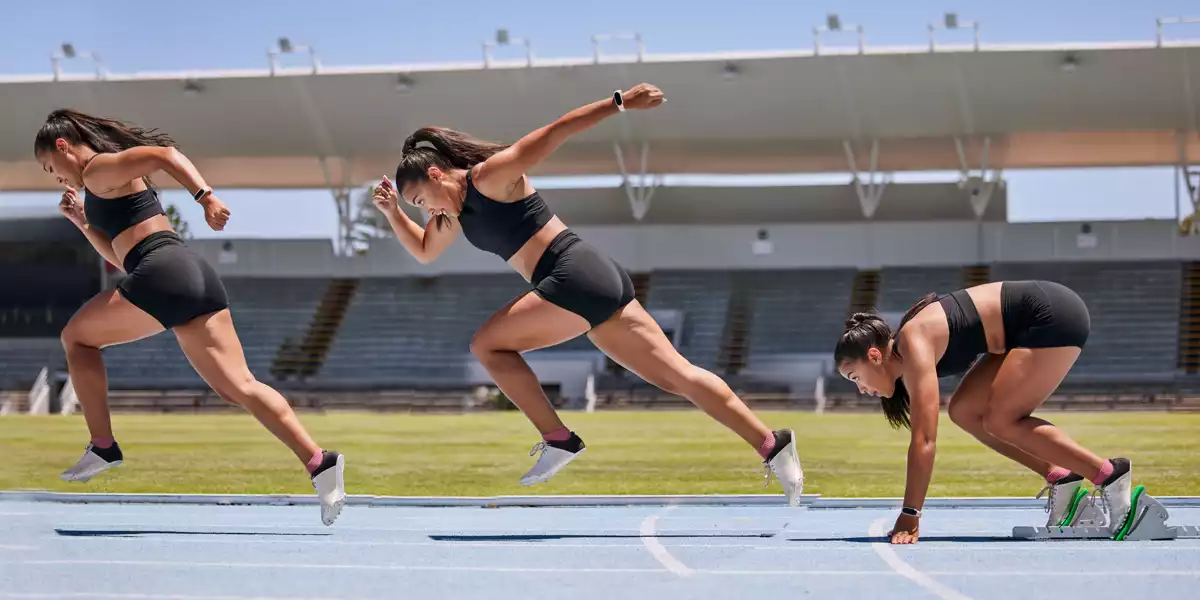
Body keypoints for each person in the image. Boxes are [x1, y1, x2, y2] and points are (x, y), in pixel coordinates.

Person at [370, 83, 804, 504]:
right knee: (678, 376)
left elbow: (555, 131)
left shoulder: (490, 177)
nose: (427, 211)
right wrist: (392, 213)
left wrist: (620, 102)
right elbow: (425, 252)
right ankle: (772, 444)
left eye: (422, 201)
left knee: (487, 345)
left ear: (435, 173)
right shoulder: (454, 215)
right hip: (592, 278)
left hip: (571, 272)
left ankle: (558, 439)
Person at [33, 109, 346, 526]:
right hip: (188, 272)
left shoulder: (96, 170)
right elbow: (123, 256)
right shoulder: (104, 182)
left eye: (51, 167)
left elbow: (165, 154)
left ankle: (103, 445)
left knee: (77, 338)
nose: (56, 177)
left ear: (63, 146)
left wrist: (206, 198)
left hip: (162, 271)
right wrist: (82, 223)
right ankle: (320, 462)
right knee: (241, 387)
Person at [834, 280, 1133, 544]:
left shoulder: (913, 342)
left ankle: (1109, 474)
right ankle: (1061, 478)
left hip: (1050, 313)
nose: (860, 389)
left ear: (874, 356)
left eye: (854, 377)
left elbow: (924, 441)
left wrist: (911, 514)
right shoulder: (908, 349)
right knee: (964, 411)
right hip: (1016, 332)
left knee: (1002, 420)